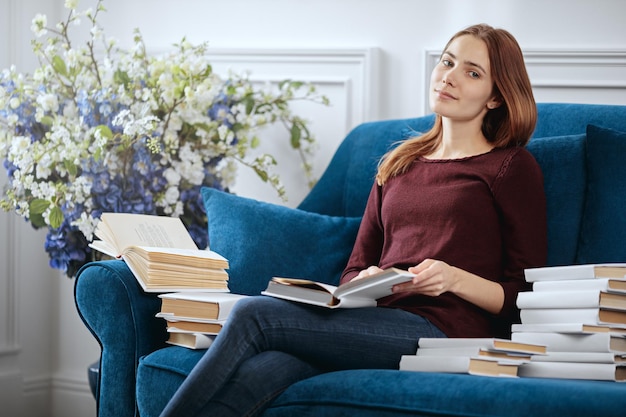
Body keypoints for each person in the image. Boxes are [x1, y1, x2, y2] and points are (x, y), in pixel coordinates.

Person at [159, 23, 547, 417]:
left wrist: (454, 278)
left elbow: (527, 295)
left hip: (445, 331)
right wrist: (366, 282)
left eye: (472, 72)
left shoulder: (510, 168)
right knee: (263, 371)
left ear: (496, 97)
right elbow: (355, 268)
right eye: (447, 62)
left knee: (252, 315)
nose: (449, 77)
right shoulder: (399, 164)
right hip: (373, 321)